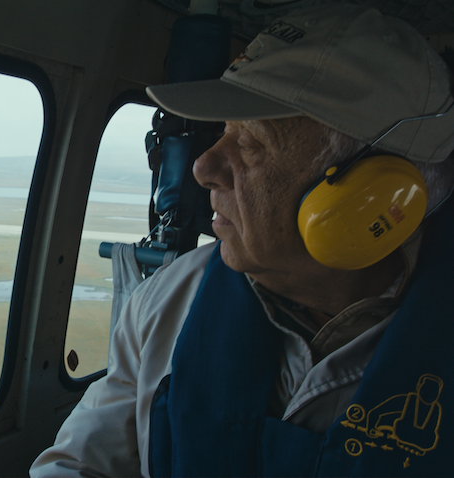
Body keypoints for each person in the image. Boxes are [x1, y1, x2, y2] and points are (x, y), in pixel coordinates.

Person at [30, 4, 454, 477]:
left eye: (252, 143)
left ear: (372, 197)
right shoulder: (168, 300)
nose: (203, 167)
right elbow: (79, 464)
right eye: (225, 132)